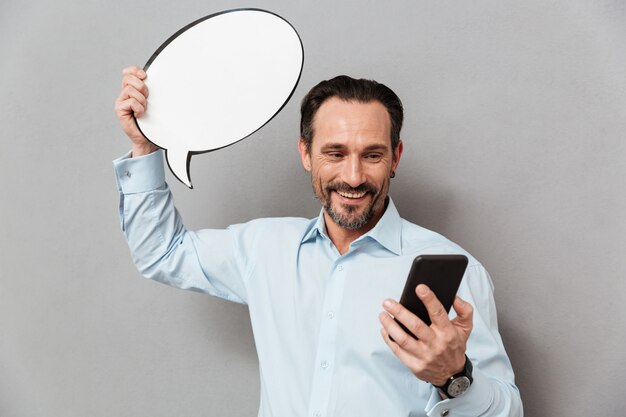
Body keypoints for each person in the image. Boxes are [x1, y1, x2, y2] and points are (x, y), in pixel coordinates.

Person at [113, 66, 523, 417]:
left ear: (396, 157)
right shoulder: (263, 248)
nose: (354, 176)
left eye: (373, 155)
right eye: (335, 153)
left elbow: (508, 410)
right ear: (305, 153)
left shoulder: (454, 269)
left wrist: (455, 376)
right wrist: (145, 145)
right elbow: (162, 253)